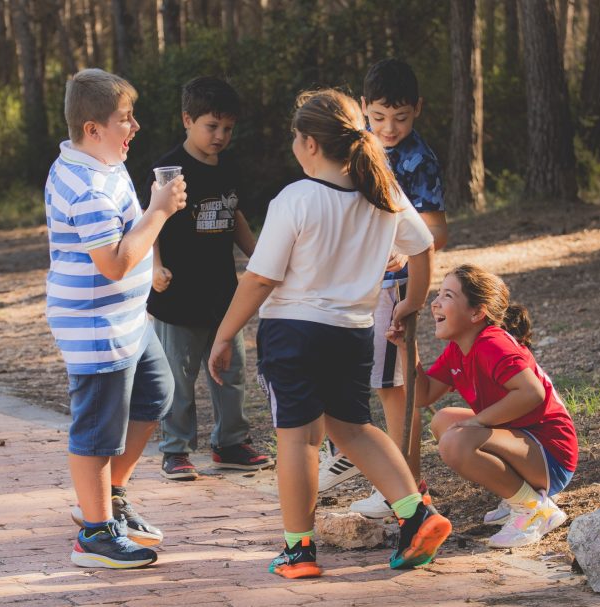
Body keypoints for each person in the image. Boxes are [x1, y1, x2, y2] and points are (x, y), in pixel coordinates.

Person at [207, 89, 451, 577]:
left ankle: (299, 551)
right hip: (353, 333)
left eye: (295, 139)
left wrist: (223, 334)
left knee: (298, 441)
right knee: (354, 427)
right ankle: (415, 514)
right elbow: (423, 248)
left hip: (294, 333)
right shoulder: (382, 193)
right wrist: (413, 302)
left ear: (310, 144)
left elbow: (260, 277)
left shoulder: (296, 199)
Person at [45, 68, 187, 568]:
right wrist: (161, 212)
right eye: (125, 119)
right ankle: (95, 532)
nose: (136, 127)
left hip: (128, 318)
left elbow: (131, 245)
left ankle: (111, 499)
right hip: (95, 326)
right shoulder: (86, 187)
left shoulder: (106, 162)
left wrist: (154, 256)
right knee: (97, 431)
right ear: (92, 129)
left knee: (156, 395)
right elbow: (114, 263)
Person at [318, 59, 449, 522]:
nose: (389, 129)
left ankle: (406, 490)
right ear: (362, 110)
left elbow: (434, 231)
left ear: (418, 109)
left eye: (401, 118)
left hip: (394, 292)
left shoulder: (418, 159)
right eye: (378, 118)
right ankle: (364, 463)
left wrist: (402, 253)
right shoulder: (358, 148)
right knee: (368, 384)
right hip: (356, 287)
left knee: (398, 392)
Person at [389, 264, 577, 548]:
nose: (435, 303)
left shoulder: (492, 343)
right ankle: (520, 495)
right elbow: (424, 395)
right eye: (438, 294)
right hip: (524, 443)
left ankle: (533, 509)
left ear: (477, 313)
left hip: (550, 454)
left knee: (455, 441)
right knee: (442, 420)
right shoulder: (459, 348)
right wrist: (406, 346)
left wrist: (479, 422)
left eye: (448, 296)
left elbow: (531, 393)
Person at [141, 76, 272, 481]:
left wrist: (262, 256)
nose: (220, 136)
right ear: (187, 119)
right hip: (176, 298)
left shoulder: (230, 167)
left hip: (223, 296)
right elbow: (150, 221)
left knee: (230, 373)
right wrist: (153, 266)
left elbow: (234, 216)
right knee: (179, 379)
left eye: (227, 128)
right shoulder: (170, 171)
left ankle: (230, 443)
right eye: (211, 126)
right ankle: (175, 448)